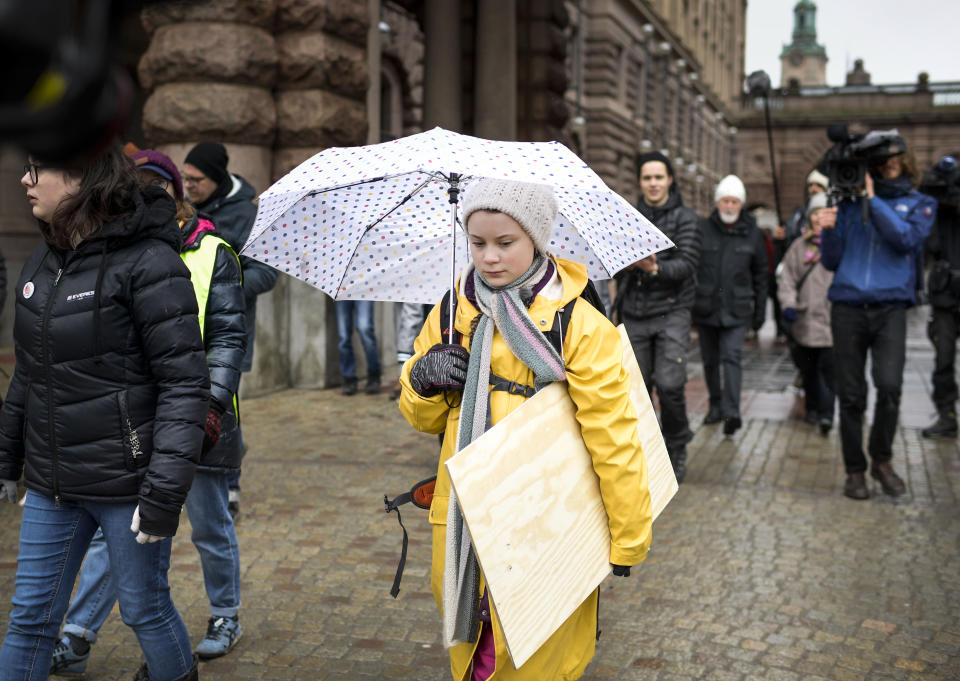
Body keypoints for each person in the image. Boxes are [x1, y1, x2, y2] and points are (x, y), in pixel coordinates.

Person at [398, 178, 652, 681]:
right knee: (474, 644)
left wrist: (628, 535)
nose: (489, 257)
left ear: (537, 238)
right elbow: (423, 418)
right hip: (465, 515)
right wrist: (422, 377)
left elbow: (614, 436)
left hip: (548, 514)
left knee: (536, 647)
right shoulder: (453, 311)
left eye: (505, 242)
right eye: (477, 243)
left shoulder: (577, 322)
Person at [0, 144, 209, 681]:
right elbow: (30, 371)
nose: (25, 180)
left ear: (78, 177)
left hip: (127, 484)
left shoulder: (149, 262)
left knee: (143, 609)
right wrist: (6, 457)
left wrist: (163, 492)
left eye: (36, 169)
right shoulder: (44, 258)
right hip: (52, 482)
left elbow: (184, 384)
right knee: (29, 619)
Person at [48, 149, 247, 677]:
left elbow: (227, 338)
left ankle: (224, 614)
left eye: (157, 187)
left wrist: (209, 406)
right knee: (120, 534)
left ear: (176, 192)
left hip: (201, 421)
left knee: (209, 525)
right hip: (134, 423)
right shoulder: (113, 251)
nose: (146, 197)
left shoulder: (210, 250)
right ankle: (78, 632)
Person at [819, 136, 936, 499]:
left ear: (906, 164)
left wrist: (873, 200)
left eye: (894, 163)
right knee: (851, 395)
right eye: (881, 164)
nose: (887, 168)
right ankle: (855, 470)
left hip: (890, 309)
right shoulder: (848, 204)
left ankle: (881, 460)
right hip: (848, 307)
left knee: (889, 387)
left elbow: (906, 240)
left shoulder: (920, 203)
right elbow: (831, 262)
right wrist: (827, 229)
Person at [183, 141, 277, 517]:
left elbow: (266, 274)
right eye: (184, 177)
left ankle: (230, 485)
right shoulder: (185, 208)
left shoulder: (245, 214)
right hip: (184, 329)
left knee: (222, 406)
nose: (187, 185)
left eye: (195, 179)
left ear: (217, 179)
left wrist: (224, 284)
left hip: (227, 332)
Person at [614, 151, 701, 481]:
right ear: (640, 181)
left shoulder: (686, 218)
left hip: (671, 310)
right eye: (647, 178)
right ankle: (649, 449)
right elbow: (617, 264)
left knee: (670, 384)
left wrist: (654, 268)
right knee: (638, 388)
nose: (652, 183)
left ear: (670, 180)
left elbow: (688, 265)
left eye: (658, 177)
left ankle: (677, 444)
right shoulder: (629, 215)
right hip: (634, 311)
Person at [693, 175, 768, 436]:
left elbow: (761, 275)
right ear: (717, 202)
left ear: (741, 204)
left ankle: (732, 411)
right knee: (711, 361)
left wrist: (760, 312)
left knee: (731, 358)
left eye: (734, 201)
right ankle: (715, 405)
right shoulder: (702, 229)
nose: (729, 206)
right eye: (725, 200)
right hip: (706, 308)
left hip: (736, 310)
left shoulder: (753, 233)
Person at [778, 191, 836, 435]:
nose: (818, 218)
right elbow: (787, 279)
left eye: (824, 213)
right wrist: (788, 304)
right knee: (808, 370)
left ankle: (826, 414)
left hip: (832, 321)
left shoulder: (838, 245)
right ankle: (812, 409)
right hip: (805, 319)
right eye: (815, 213)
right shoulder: (798, 247)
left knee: (829, 371)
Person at [921, 159, 960, 438]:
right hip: (945, 297)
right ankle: (946, 415)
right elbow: (929, 245)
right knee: (943, 360)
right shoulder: (937, 214)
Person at [771, 170, 830, 340]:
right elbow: (788, 275)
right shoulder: (798, 217)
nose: (813, 188)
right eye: (811, 185)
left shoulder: (837, 241)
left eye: (818, 185)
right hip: (805, 307)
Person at [335, 300, 382, 395]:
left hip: (364, 287)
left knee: (365, 329)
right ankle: (348, 378)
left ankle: (374, 375)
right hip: (342, 290)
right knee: (343, 335)